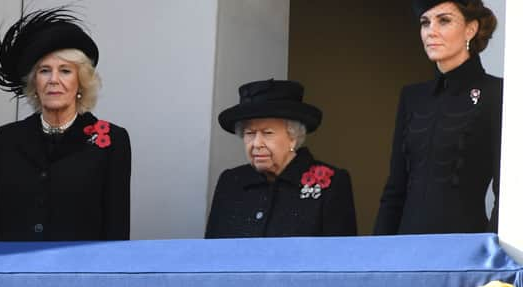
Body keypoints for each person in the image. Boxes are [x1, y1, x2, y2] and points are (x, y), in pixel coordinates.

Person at [0, 8, 131, 242]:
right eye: (44, 71)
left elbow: (116, 230)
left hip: (78, 273)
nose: (53, 80)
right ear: (34, 83)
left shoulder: (111, 141)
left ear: (81, 83)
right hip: (11, 270)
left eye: (65, 71)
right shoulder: (8, 138)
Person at [374, 0, 501, 235]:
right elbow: (395, 187)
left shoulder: (497, 92)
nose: (430, 31)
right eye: (425, 22)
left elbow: (506, 189)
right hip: (407, 248)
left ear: (470, 29)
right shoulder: (412, 96)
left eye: (444, 20)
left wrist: (490, 252)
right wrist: (379, 254)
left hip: (466, 248)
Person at [205, 79, 357, 238]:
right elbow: (211, 252)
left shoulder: (331, 183)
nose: (256, 143)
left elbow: (341, 255)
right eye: (250, 133)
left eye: (267, 133)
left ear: (293, 137)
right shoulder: (231, 181)